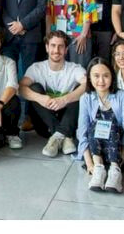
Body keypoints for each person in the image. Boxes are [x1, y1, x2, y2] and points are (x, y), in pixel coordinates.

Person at [19, 30, 87, 158]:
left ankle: (58, 136)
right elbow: (21, 88)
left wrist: (65, 99)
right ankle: (65, 136)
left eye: (61, 46)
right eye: (53, 46)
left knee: (81, 90)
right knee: (34, 88)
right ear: (46, 47)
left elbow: (88, 85)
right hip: (44, 125)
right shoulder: (37, 68)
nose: (56, 50)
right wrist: (40, 98)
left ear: (66, 49)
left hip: (68, 119)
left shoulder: (74, 68)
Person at [76, 58, 124, 193]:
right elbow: (82, 131)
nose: (101, 81)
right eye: (96, 76)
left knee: (110, 126)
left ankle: (114, 172)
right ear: (89, 78)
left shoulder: (123, 96)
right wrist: (90, 164)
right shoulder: (86, 98)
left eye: (106, 76)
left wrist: (118, 163)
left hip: (119, 150)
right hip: (95, 152)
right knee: (95, 126)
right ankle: (99, 169)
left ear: (112, 76)